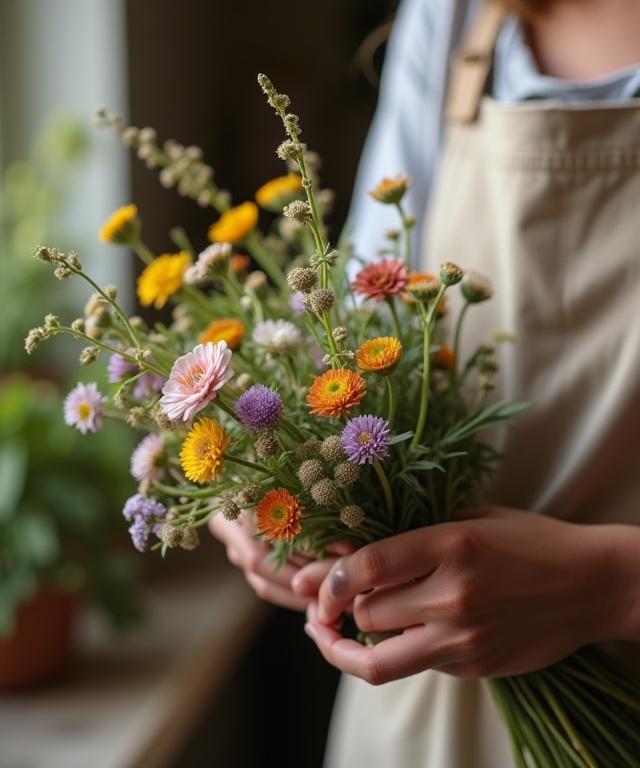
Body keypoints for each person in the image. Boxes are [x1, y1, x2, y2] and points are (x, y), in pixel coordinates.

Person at [210, 0, 640, 765]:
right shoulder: (457, 17)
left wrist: (614, 587)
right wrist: (265, 479)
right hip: (423, 710)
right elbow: (351, 338)